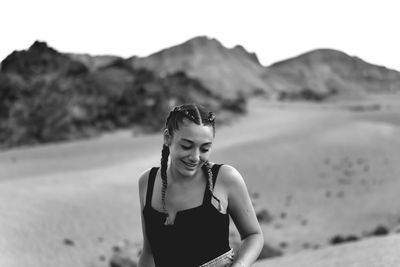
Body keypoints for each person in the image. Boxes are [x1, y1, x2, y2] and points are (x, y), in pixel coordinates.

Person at [138, 103, 263, 267]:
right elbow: (149, 252)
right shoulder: (147, 181)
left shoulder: (225, 178)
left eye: (204, 148)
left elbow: (253, 235)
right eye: (186, 146)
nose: (195, 157)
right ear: (168, 137)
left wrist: (240, 265)